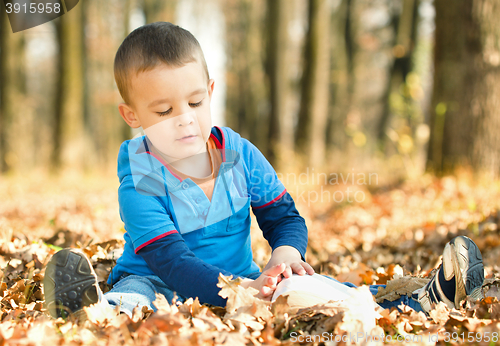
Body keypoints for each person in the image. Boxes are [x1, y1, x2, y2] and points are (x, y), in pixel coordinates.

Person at [43, 22, 484, 319]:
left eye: (196, 102)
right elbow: (170, 259)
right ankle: (89, 310)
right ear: (132, 115)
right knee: (138, 299)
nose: (185, 118)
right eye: (163, 110)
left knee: (313, 291)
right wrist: (234, 296)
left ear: (211, 91)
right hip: (159, 278)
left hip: (243, 281)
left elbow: (283, 216)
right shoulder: (139, 177)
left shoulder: (237, 153)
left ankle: (420, 300)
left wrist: (285, 256)